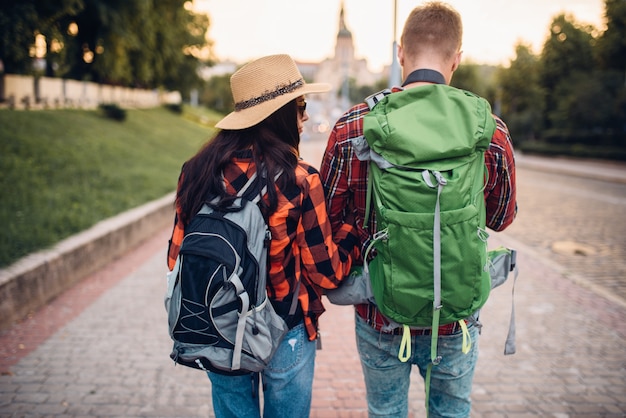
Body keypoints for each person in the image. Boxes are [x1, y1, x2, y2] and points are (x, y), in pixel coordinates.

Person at [320, 2, 517, 417]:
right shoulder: (489, 130)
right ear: (456, 59)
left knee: (386, 411)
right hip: (457, 315)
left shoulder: (354, 126)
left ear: (400, 54)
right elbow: (501, 217)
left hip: (380, 313)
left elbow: (327, 221)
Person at [167, 54, 358, 418]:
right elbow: (326, 273)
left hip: (216, 327)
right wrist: (350, 233)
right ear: (284, 114)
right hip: (283, 329)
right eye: (300, 107)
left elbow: (176, 257)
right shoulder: (299, 179)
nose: (303, 117)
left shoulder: (196, 171)